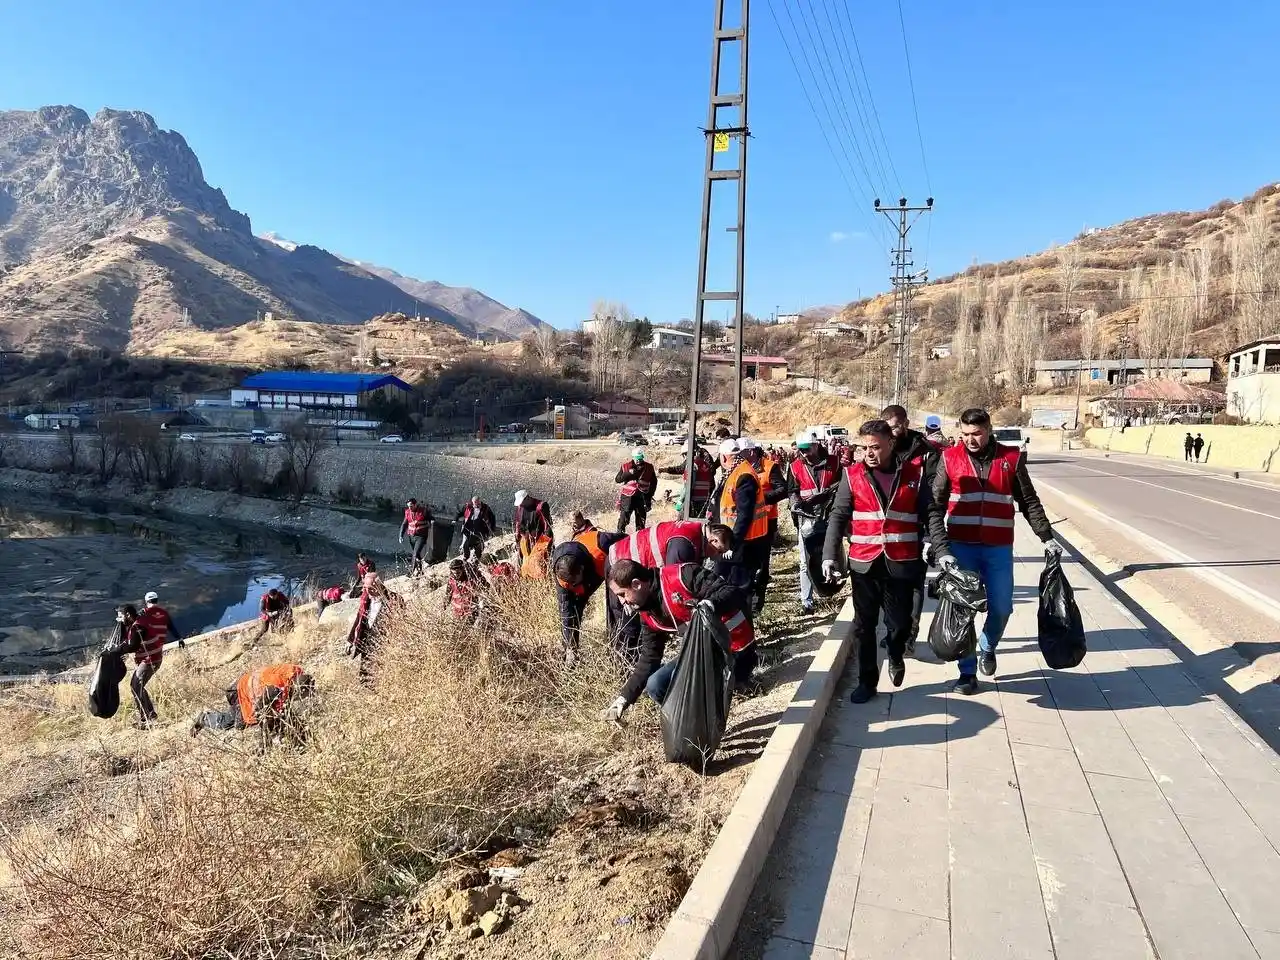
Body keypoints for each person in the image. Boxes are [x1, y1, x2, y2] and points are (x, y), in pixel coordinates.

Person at [928, 407, 1061, 695]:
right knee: (964, 611)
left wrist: (1046, 537)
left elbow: (1029, 502)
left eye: (976, 434)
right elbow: (935, 507)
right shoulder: (949, 459)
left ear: (989, 430)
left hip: (998, 548)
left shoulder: (1011, 459)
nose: (970, 440)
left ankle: (987, 646)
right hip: (961, 549)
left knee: (1002, 608)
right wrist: (942, 549)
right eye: (964, 434)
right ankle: (967, 673)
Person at [822, 419, 932, 703]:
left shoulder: (914, 474)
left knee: (899, 623)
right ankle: (867, 682)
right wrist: (829, 556)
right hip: (864, 563)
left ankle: (896, 653)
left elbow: (929, 513)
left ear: (891, 444)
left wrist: (933, 542)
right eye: (864, 448)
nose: (869, 453)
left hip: (901, 562)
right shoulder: (852, 475)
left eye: (876, 447)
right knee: (863, 625)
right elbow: (837, 517)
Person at [599, 559, 756, 722]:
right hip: (702, 654)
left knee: (691, 683)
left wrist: (710, 605)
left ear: (637, 584)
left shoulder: (682, 576)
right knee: (656, 685)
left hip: (736, 650)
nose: (622, 601)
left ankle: (719, 710)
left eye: (622, 594)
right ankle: (693, 729)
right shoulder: (649, 615)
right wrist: (624, 699)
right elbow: (649, 660)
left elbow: (731, 592)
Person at [605, 517, 718, 663]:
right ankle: (626, 667)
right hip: (620, 565)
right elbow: (674, 590)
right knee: (629, 626)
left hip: (629, 566)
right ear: (712, 539)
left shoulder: (692, 534)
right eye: (719, 550)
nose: (717, 557)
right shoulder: (684, 545)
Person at [882, 404, 944, 655]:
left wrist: (931, 534)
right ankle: (894, 630)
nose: (892, 431)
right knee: (888, 582)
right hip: (888, 528)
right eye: (887, 427)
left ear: (906, 423)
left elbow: (935, 493)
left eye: (895, 426)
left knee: (915, 583)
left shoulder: (926, 453)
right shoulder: (882, 449)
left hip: (917, 528)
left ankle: (910, 634)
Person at [551, 518, 625, 665]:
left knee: (616, 608)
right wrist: (570, 646)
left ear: (581, 570)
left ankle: (620, 654)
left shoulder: (601, 542)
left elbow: (627, 540)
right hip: (589, 573)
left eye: (575, 582)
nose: (573, 586)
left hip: (610, 568)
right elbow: (566, 610)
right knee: (572, 613)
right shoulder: (561, 572)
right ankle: (571, 654)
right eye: (570, 584)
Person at [190, 663, 315, 748]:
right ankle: (204, 719)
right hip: (239, 692)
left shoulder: (294, 673)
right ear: (296, 688)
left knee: (282, 715)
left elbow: (282, 707)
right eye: (302, 696)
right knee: (232, 722)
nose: (301, 699)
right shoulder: (275, 689)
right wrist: (265, 742)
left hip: (245, 684)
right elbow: (261, 713)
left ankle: (297, 738)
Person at [788, 430, 842, 614]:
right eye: (801, 450)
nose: (804, 454)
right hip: (807, 519)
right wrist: (795, 503)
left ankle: (831, 590)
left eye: (807, 449)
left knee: (832, 556)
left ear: (816, 445)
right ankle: (807, 602)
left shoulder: (833, 463)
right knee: (805, 561)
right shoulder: (795, 466)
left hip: (830, 517)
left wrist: (829, 497)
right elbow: (792, 490)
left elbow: (842, 485)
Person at [739, 438, 788, 614]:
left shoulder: (770, 467)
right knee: (746, 562)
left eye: (742, 452)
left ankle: (756, 604)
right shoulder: (741, 468)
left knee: (761, 562)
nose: (739, 455)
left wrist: (761, 499)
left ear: (751, 452)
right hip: (746, 521)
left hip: (767, 520)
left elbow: (783, 490)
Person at [131, 591, 185, 728]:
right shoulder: (164, 613)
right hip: (157, 655)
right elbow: (172, 627)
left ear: (146, 601)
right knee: (138, 685)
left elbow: (136, 626)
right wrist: (179, 638)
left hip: (149, 657)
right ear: (157, 600)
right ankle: (150, 714)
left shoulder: (144, 614)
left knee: (136, 686)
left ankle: (147, 718)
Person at [346, 571, 402, 681]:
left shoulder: (394, 600)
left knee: (382, 674)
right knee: (365, 675)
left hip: (385, 642)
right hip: (368, 641)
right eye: (365, 588)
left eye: (371, 588)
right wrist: (350, 641)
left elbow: (401, 621)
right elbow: (359, 620)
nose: (367, 591)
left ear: (379, 585)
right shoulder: (365, 600)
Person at [659, 445, 717, 519]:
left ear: (686, 454)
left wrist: (680, 501)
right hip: (704, 500)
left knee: (683, 523)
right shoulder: (706, 465)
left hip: (692, 501)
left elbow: (688, 486)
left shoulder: (691, 465)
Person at [615, 448, 658, 533]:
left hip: (642, 497)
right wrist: (628, 473)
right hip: (628, 497)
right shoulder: (625, 466)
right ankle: (619, 534)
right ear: (633, 457)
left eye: (640, 458)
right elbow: (618, 479)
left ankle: (639, 538)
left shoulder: (649, 467)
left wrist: (650, 496)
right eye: (637, 458)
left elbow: (654, 482)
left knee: (641, 521)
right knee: (624, 518)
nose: (638, 460)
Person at [513, 490, 554, 577]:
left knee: (539, 567)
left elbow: (548, 527)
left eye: (522, 502)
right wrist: (518, 542)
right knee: (524, 566)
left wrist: (544, 547)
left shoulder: (541, 506)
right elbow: (517, 524)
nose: (521, 505)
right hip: (526, 542)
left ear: (527, 498)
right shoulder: (520, 507)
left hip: (540, 542)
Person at [456, 496, 497, 562]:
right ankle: (466, 557)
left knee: (479, 544)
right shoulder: (468, 507)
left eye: (478, 503)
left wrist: (492, 528)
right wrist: (455, 519)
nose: (477, 505)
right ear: (472, 503)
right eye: (475, 503)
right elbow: (460, 513)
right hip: (468, 529)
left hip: (480, 530)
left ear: (480, 501)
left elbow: (492, 517)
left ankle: (477, 558)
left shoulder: (485, 508)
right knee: (465, 544)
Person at [400, 498, 434, 577]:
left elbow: (431, 518)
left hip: (421, 536)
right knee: (417, 555)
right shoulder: (408, 512)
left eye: (411, 506)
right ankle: (420, 571)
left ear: (415, 504)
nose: (409, 508)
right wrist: (401, 535)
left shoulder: (424, 511)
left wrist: (432, 522)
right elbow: (404, 524)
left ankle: (411, 571)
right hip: (411, 536)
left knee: (415, 553)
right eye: (408, 506)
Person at [443, 558, 480, 624]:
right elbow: (448, 594)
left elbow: (484, 587)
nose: (456, 575)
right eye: (454, 573)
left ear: (462, 570)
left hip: (471, 611)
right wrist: (445, 605)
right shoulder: (451, 581)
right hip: (458, 613)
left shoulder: (471, 578)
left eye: (458, 572)